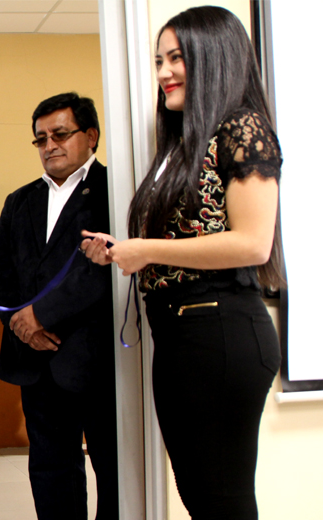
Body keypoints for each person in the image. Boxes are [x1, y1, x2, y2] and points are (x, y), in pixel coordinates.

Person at [82, 7, 284, 519]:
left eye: (177, 58)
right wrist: (125, 248)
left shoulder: (244, 128)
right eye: (159, 60)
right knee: (199, 495)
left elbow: (252, 244)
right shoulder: (184, 143)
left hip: (219, 331)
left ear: (213, 59)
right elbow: (187, 236)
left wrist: (147, 250)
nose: (165, 72)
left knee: (223, 501)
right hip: (180, 336)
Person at [0, 93, 117, 519]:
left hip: (96, 359)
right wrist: (21, 324)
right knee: (50, 467)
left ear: (90, 136)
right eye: (40, 139)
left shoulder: (115, 192)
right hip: (35, 360)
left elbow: (103, 272)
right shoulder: (19, 201)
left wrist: (41, 316)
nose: (49, 145)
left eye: (60, 134)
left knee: (113, 469)